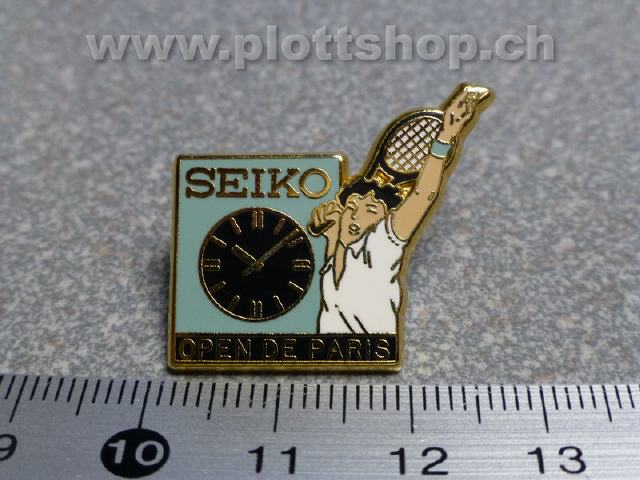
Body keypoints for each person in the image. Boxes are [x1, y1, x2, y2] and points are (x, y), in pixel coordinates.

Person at [309, 84, 492, 333]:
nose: (356, 216)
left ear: (385, 221)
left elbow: (423, 195)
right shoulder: (334, 255)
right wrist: (323, 228)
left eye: (371, 211)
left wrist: (446, 136)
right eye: (352, 207)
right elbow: (336, 237)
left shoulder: (382, 246)